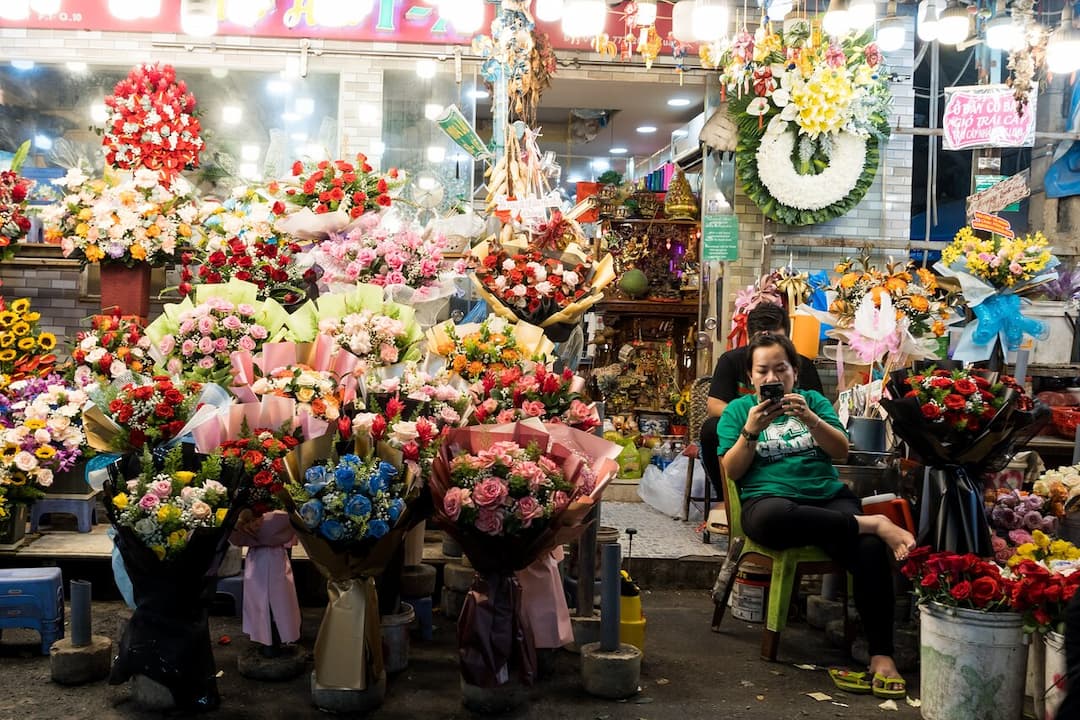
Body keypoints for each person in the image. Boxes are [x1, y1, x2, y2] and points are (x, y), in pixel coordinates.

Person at [716, 333, 914, 696]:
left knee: (870, 551)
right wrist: (751, 432)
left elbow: (840, 451)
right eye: (763, 370)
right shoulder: (738, 411)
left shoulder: (815, 402)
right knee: (771, 518)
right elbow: (732, 471)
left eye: (781, 368)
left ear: (794, 372)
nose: (772, 377)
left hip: (826, 499)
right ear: (751, 376)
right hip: (771, 503)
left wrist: (810, 419)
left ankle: (882, 657)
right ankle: (872, 523)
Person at [699, 303, 823, 495]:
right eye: (763, 339)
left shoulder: (801, 364)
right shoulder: (731, 360)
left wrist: (798, 414)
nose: (771, 346)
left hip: (793, 429)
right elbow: (714, 405)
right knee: (710, 428)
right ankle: (725, 497)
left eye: (778, 339)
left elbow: (820, 410)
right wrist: (749, 418)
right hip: (743, 427)